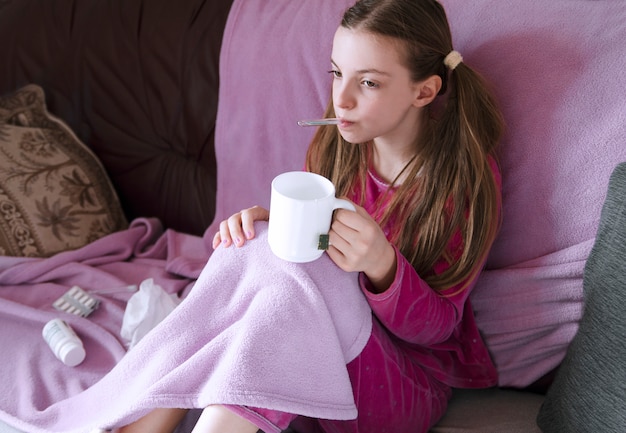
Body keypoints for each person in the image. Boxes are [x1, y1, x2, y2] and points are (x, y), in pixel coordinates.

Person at [118, 0, 504, 432]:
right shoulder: (337, 144)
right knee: (255, 245)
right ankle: (148, 423)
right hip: (314, 355)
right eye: (337, 73)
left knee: (310, 283)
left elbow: (437, 331)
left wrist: (384, 266)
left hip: (404, 386)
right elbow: (299, 263)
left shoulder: (461, 180)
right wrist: (268, 230)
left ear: (424, 91)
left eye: (369, 83)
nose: (342, 99)